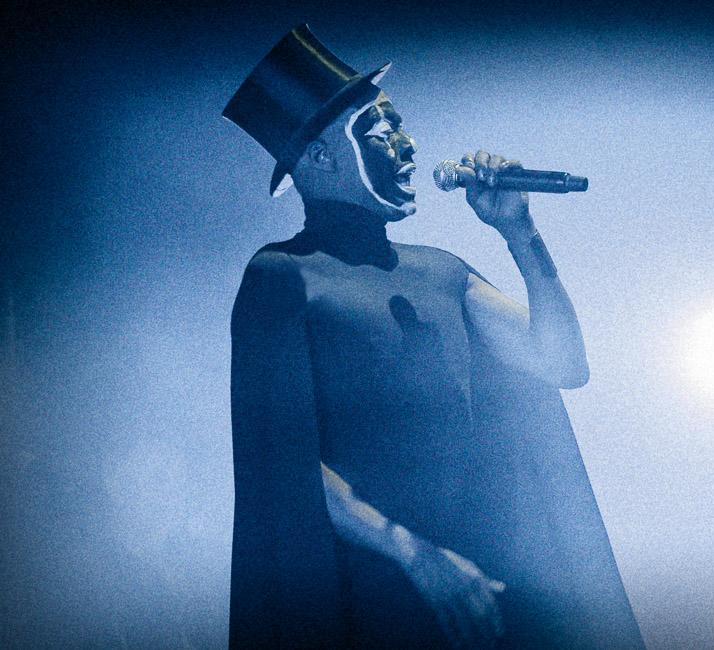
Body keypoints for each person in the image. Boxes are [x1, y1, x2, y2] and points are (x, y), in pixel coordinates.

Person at [223, 25, 645, 649]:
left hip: (484, 589)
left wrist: (520, 233)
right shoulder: (282, 275)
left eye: (400, 125)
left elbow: (563, 364)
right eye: (380, 129)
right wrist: (413, 554)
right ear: (321, 158)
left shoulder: (443, 272)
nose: (408, 143)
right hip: (378, 597)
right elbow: (284, 462)